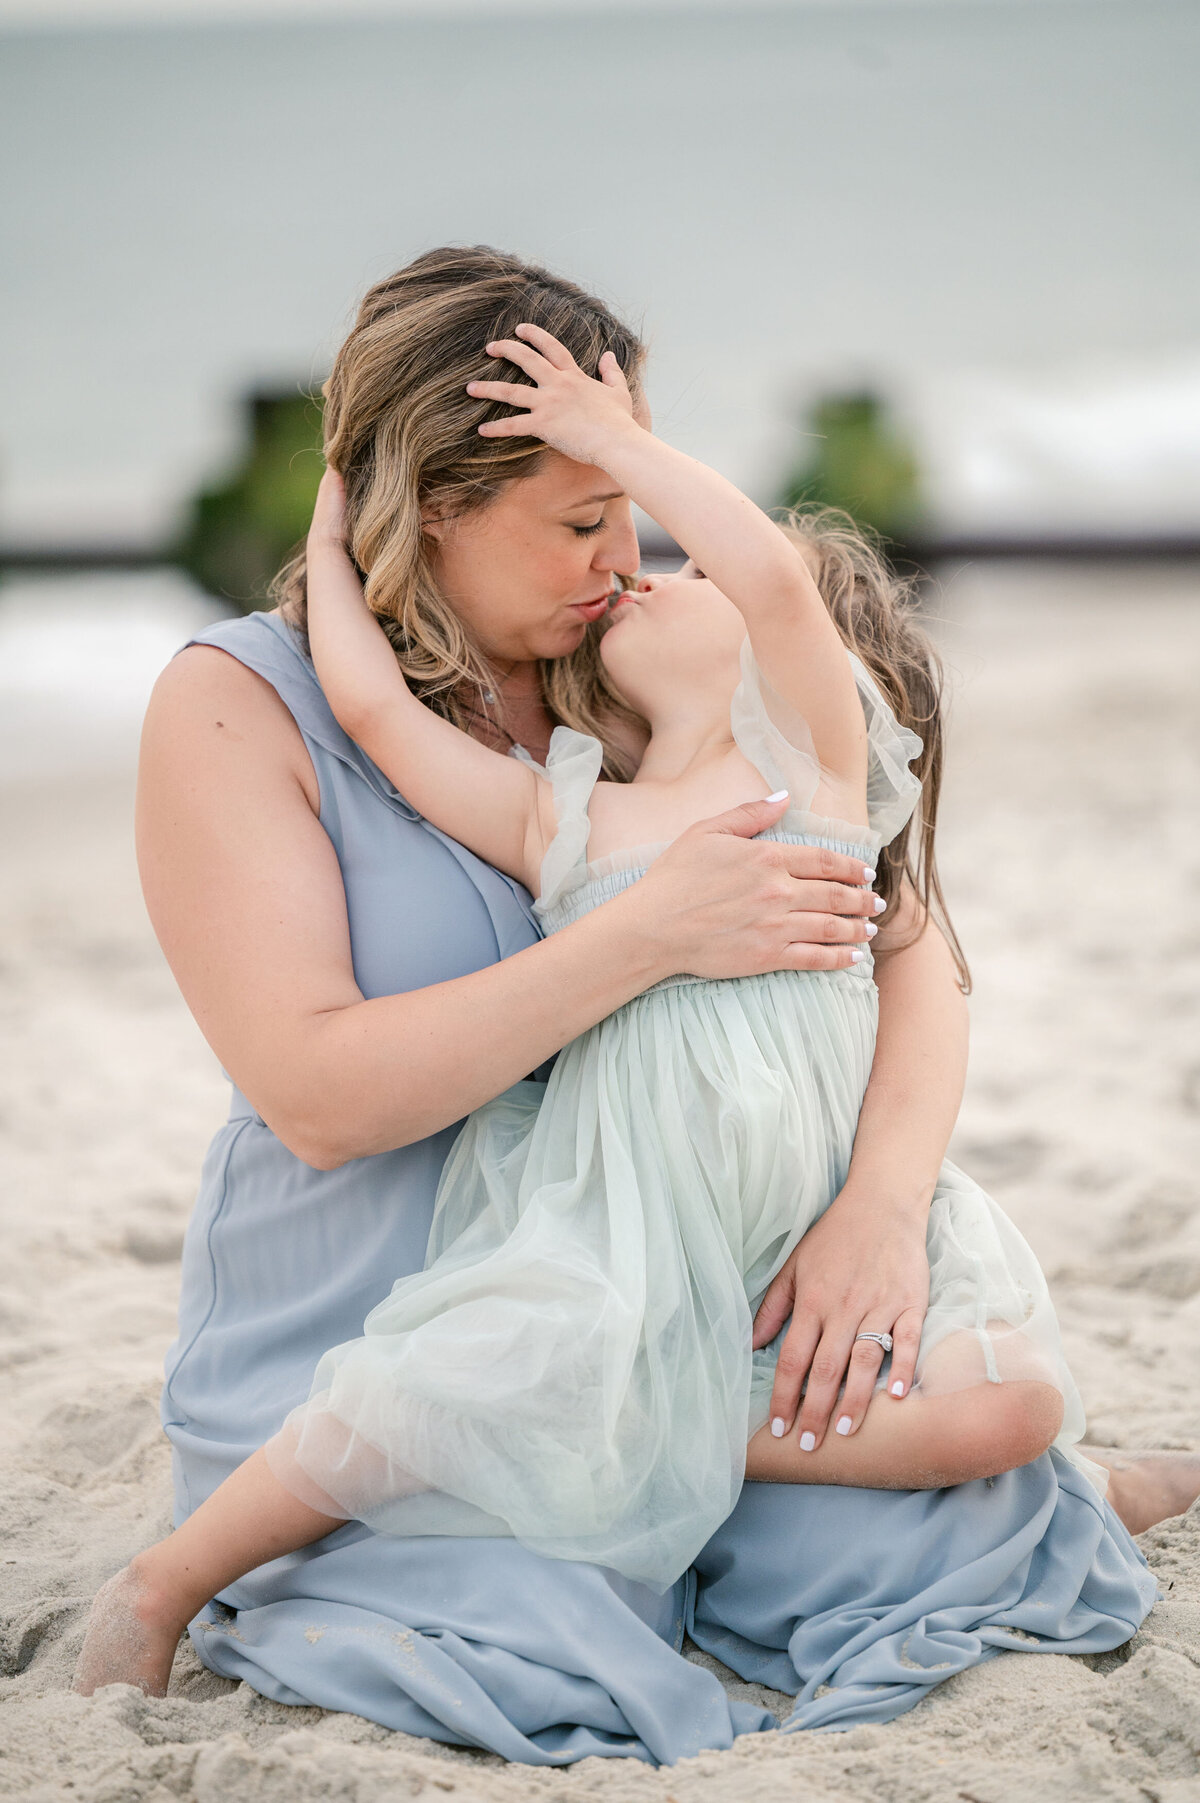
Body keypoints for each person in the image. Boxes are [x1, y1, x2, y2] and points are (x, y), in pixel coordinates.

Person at [75, 249, 1194, 1761]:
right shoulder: (243, 704)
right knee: (536, 1641)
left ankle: (1038, 1482)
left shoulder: (638, 688)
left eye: (635, 502)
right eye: (584, 514)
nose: (630, 551)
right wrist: (646, 934)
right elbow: (323, 1101)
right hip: (402, 1322)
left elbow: (909, 951)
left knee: (925, 1546)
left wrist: (877, 1203)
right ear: (434, 505)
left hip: (692, 1290)